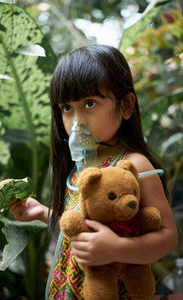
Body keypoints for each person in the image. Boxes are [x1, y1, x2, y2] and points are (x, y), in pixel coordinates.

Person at [10, 45, 178, 300]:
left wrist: (118, 248)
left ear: (125, 106)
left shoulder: (134, 165)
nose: (77, 121)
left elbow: (168, 239)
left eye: (89, 103)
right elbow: (86, 223)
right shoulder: (78, 170)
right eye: (67, 108)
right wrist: (45, 214)